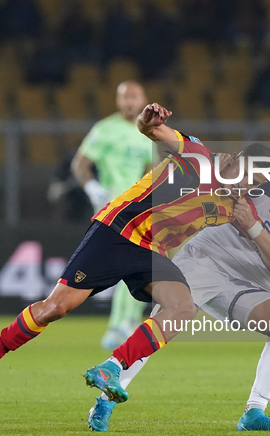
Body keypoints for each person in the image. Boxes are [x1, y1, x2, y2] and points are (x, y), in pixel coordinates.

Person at [0, 102, 270, 404]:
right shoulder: (197, 155)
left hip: (150, 251)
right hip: (116, 229)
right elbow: (150, 129)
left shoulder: (237, 206)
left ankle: (112, 367)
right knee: (55, 308)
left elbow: (264, 246)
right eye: (246, 177)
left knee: (183, 308)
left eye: (253, 185)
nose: (245, 187)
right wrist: (149, 119)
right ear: (232, 159)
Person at [87, 157, 270, 432]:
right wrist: (226, 175)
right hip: (204, 260)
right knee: (165, 324)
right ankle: (105, 400)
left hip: (245, 281)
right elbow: (225, 171)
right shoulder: (267, 183)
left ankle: (254, 412)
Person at [70, 81, 154, 349]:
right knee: (127, 265)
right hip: (112, 208)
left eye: (134, 96)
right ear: (118, 101)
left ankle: (126, 323)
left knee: (134, 265)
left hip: (138, 208)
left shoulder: (148, 133)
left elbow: (153, 170)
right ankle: (121, 325)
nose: (129, 102)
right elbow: (80, 165)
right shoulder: (105, 129)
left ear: (142, 99)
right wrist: (93, 189)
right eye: (125, 97)